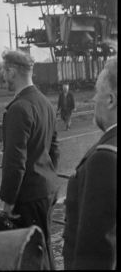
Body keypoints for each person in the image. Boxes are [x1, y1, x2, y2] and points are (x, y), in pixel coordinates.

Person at [0, 50, 60, 268]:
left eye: (4, 71)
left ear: (12, 72)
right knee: (45, 248)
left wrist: (8, 203)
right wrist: (46, 178)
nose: (3, 76)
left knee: (32, 258)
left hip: (28, 196)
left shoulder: (18, 108)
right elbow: (54, 149)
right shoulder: (45, 103)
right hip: (46, 190)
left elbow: (15, 162)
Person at [63, 57, 117, 270]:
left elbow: (95, 256)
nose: (94, 99)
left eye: (97, 93)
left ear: (111, 100)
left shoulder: (105, 158)